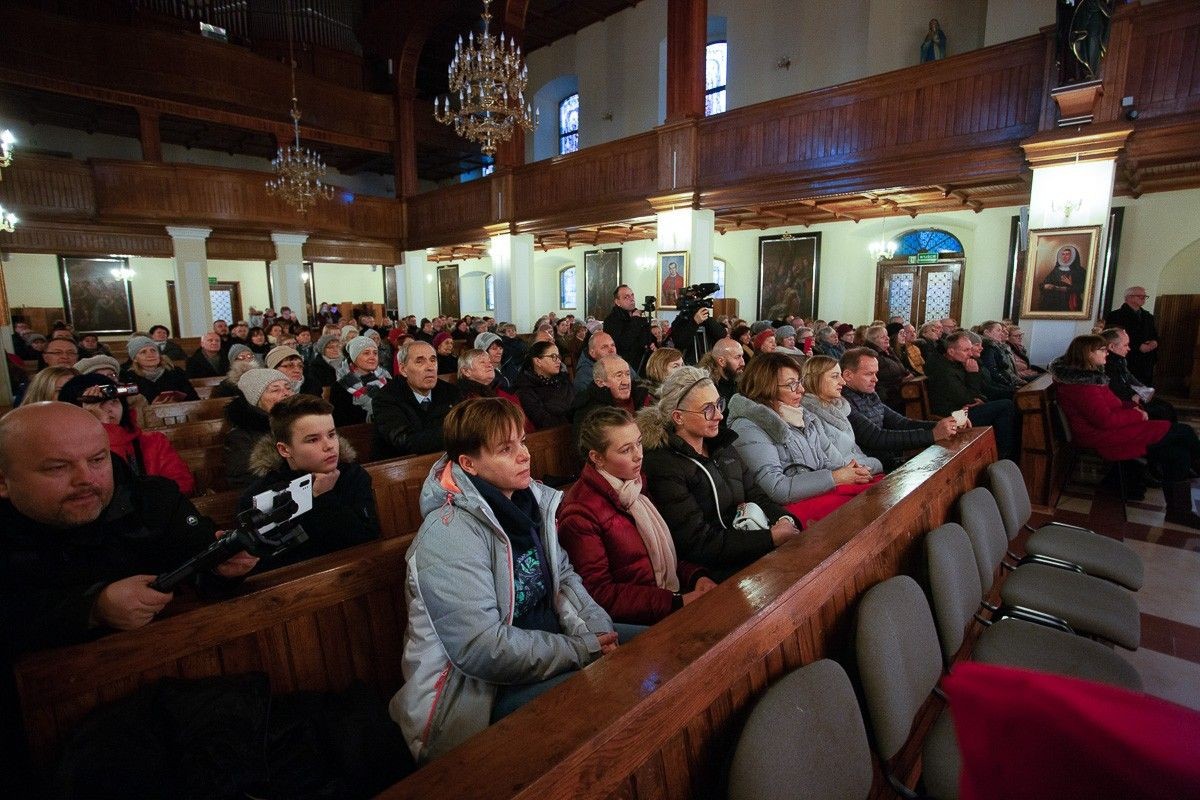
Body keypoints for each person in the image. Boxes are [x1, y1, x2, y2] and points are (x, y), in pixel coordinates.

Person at [390, 398, 617, 763]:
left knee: (646, 656)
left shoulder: (530, 503)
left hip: (548, 651)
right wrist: (581, 650)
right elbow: (481, 648)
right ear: (469, 464)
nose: (524, 455)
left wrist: (598, 631)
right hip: (474, 696)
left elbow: (564, 578)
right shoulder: (448, 535)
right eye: (506, 449)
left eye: (523, 442)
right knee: (608, 708)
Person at [0, 403, 256, 655]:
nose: (86, 479)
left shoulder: (153, 500)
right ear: (3, 481)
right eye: (57, 467)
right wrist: (92, 609)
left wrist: (223, 569)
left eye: (98, 459)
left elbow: (200, 565)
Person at [638, 366, 800, 580]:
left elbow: (756, 494)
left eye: (718, 404)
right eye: (708, 409)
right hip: (719, 572)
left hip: (753, 550)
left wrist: (786, 519)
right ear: (678, 417)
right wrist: (770, 538)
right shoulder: (663, 465)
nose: (719, 415)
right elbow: (698, 543)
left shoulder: (722, 446)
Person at [558, 406, 715, 624]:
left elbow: (659, 556)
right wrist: (674, 602)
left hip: (666, 600)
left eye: (639, 443)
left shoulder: (635, 485)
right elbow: (599, 594)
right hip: (637, 622)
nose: (639, 455)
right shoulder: (580, 514)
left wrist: (696, 576)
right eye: (625, 450)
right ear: (597, 458)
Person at [1050, 335, 1199, 528]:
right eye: (1102, 350)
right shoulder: (1081, 386)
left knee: (1177, 453)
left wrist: (1131, 407)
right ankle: (1181, 506)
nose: (1106, 353)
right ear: (1088, 353)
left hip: (1112, 430)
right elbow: (1104, 421)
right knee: (1184, 432)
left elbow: (1115, 403)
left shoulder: (1091, 378)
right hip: (1101, 437)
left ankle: (1179, 512)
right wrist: (1138, 416)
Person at [726, 353, 875, 526]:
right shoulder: (748, 427)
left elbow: (834, 462)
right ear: (766, 388)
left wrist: (852, 471)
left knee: (875, 495)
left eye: (799, 382)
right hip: (785, 516)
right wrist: (835, 478)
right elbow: (776, 489)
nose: (801, 390)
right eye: (791, 385)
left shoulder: (806, 417)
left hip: (819, 498)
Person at [240, 395, 380, 573]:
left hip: (354, 574)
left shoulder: (352, 475)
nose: (329, 445)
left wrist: (325, 498)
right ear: (284, 449)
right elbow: (266, 565)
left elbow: (366, 540)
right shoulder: (259, 495)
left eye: (331, 434)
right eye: (313, 439)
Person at [59, 373, 195, 496]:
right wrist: (105, 429)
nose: (109, 410)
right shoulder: (66, 452)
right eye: (97, 403)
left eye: (114, 401)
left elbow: (183, 485)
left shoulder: (154, 441)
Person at [840, 347, 959, 471]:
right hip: (871, 469)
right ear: (848, 375)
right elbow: (876, 438)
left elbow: (901, 423)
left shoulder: (869, 394)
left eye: (875, 373)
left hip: (888, 460)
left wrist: (945, 425)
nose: (875, 379)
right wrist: (932, 435)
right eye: (869, 374)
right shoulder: (843, 402)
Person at [925, 330, 1018, 460]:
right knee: (1006, 406)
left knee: (1006, 404)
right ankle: (1002, 455)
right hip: (954, 415)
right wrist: (973, 374)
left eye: (970, 349)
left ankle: (1002, 452)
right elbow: (967, 397)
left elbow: (977, 392)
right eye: (966, 350)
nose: (970, 353)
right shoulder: (944, 370)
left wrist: (980, 399)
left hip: (964, 409)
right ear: (951, 351)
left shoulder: (958, 363)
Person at [373, 341, 461, 457]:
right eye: (420, 361)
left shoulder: (450, 392)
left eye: (433, 360)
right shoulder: (385, 398)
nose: (430, 367)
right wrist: (457, 433)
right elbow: (405, 441)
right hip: (403, 468)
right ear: (403, 369)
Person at [799, 355, 884, 474]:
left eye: (840, 375)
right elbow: (836, 465)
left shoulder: (839, 409)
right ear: (815, 379)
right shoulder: (810, 417)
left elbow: (855, 451)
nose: (842, 382)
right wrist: (876, 464)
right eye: (835, 376)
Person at [224, 368, 295, 488]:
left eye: (288, 388)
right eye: (275, 390)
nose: (286, 393)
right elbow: (242, 480)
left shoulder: (302, 422)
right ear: (256, 400)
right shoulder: (240, 436)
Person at [1101, 327, 1175, 422]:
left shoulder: (1119, 359)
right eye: (1125, 345)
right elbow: (1115, 389)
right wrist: (1134, 395)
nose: (1129, 348)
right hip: (1122, 401)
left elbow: (1129, 378)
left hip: (1131, 397)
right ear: (1111, 347)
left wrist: (1144, 389)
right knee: (1163, 410)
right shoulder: (1107, 364)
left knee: (1166, 406)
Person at [572, 355, 651, 442]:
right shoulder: (589, 412)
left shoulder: (644, 396)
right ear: (600, 383)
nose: (626, 382)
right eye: (619, 375)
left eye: (627, 374)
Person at [513, 340, 575, 429]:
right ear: (538, 361)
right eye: (553, 356)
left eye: (558, 356)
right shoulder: (525, 389)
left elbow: (577, 405)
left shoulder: (564, 379)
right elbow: (544, 421)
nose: (558, 361)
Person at [1104, 286, 1158, 385]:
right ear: (1128, 297)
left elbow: (1154, 334)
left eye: (1144, 296)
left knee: (1144, 389)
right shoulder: (1115, 315)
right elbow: (1111, 337)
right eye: (1139, 296)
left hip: (1146, 359)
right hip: (1127, 358)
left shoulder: (1148, 316)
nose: (1143, 298)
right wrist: (1138, 346)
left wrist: (1154, 342)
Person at [121, 335, 198, 404]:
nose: (150, 355)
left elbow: (194, 399)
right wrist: (150, 407)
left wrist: (176, 402)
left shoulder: (176, 372)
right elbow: (127, 407)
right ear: (135, 359)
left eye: (153, 350)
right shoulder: (128, 378)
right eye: (143, 352)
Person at [332, 337, 390, 425]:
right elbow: (340, 421)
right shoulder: (340, 386)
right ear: (354, 357)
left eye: (375, 353)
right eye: (366, 353)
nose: (372, 357)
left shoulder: (387, 380)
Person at [604, 285, 654, 372]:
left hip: (644, 364)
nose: (632, 299)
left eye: (632, 295)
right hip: (626, 366)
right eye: (626, 297)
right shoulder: (611, 320)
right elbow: (622, 344)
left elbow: (649, 338)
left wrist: (653, 344)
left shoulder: (637, 315)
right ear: (617, 302)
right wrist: (635, 321)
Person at [862, 324, 910, 410]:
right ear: (873, 340)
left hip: (897, 393)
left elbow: (900, 368)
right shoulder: (871, 355)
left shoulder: (887, 351)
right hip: (885, 398)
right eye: (883, 337)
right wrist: (901, 379)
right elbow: (883, 378)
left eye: (887, 336)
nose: (887, 338)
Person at [978, 320, 1024, 392]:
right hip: (994, 386)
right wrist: (1010, 385)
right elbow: (992, 370)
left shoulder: (993, 346)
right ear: (986, 332)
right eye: (998, 330)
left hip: (1002, 382)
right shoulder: (988, 346)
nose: (1002, 334)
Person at [1039, 244, 1087, 313]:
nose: (1064, 257)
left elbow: (1083, 288)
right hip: (1055, 301)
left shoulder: (1080, 271)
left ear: (1073, 256)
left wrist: (1071, 284)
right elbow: (1045, 282)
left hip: (1070, 302)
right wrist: (1045, 286)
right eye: (1063, 254)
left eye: (1067, 254)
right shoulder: (1056, 270)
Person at [700, 337, 746, 406]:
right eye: (737, 357)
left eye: (742, 356)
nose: (743, 363)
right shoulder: (707, 388)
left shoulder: (738, 380)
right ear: (721, 361)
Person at [306, 334, 346, 400]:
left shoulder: (346, 362)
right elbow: (315, 391)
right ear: (322, 350)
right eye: (330, 347)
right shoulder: (315, 367)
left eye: (338, 346)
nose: (335, 349)